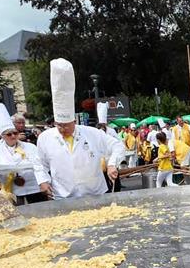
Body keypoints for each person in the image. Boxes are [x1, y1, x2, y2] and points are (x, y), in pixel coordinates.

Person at [36, 59, 125, 199]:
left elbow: (117, 145)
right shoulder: (45, 138)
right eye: (59, 124)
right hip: (63, 195)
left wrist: (112, 164)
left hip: (95, 193)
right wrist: (43, 180)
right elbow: (40, 163)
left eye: (66, 125)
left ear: (74, 121)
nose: (62, 128)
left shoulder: (92, 133)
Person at [0, 103, 50, 205]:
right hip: (11, 191)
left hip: (33, 189)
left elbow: (39, 165)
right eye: (9, 134)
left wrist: (43, 182)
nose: (13, 136)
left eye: (15, 133)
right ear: (1, 136)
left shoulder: (30, 147)